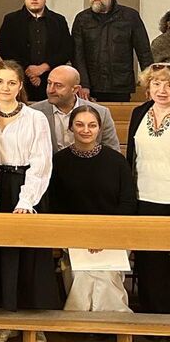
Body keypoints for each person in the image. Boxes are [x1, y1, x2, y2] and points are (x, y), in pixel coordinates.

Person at [0, 61, 60, 335]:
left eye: (12, 82)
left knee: (27, 256)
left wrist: (26, 202)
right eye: (0, 82)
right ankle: (0, 321)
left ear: (20, 86)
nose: (5, 88)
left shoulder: (35, 118)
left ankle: (31, 323)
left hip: (26, 188)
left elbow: (41, 162)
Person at [49, 104, 136, 313]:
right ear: (71, 128)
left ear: (99, 128)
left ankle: (110, 322)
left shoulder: (116, 161)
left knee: (104, 272)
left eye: (92, 125)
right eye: (79, 124)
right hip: (74, 235)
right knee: (84, 271)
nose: (85, 130)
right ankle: (81, 322)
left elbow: (127, 202)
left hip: (113, 234)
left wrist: (104, 236)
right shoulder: (59, 161)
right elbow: (56, 204)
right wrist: (81, 236)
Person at [126, 63, 170, 313]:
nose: (162, 90)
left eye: (168, 85)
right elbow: (132, 158)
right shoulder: (139, 113)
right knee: (149, 264)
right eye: (156, 83)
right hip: (144, 198)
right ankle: (153, 320)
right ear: (148, 87)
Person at [72, 0, 153, 102]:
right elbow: (77, 54)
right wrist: (83, 83)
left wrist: (150, 82)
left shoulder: (130, 16)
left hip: (120, 85)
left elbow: (144, 52)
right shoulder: (82, 19)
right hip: (92, 85)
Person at [0, 0, 73, 102]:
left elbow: (66, 49)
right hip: (20, 78)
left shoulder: (58, 20)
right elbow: (5, 49)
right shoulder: (11, 20)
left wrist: (44, 67)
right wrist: (28, 69)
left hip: (52, 79)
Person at [29, 65, 120, 152]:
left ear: (75, 89)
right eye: (49, 83)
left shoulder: (101, 113)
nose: (50, 90)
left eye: (58, 85)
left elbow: (113, 152)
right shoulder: (33, 112)